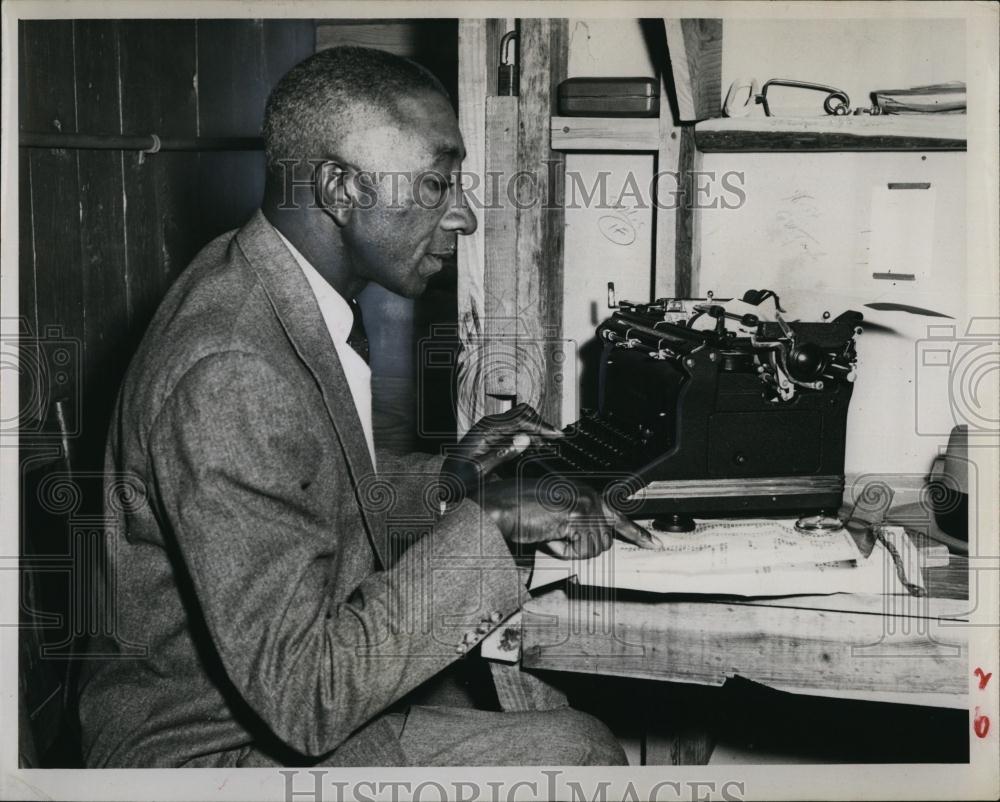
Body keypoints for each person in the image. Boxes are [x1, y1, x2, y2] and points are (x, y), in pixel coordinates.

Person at [77, 46, 656, 768]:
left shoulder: (270, 280)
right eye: (437, 184)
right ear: (340, 189)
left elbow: (297, 498)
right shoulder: (232, 370)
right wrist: (499, 517)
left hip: (266, 709)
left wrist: (449, 482)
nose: (465, 216)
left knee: (564, 730)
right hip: (203, 758)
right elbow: (308, 697)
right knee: (580, 757)